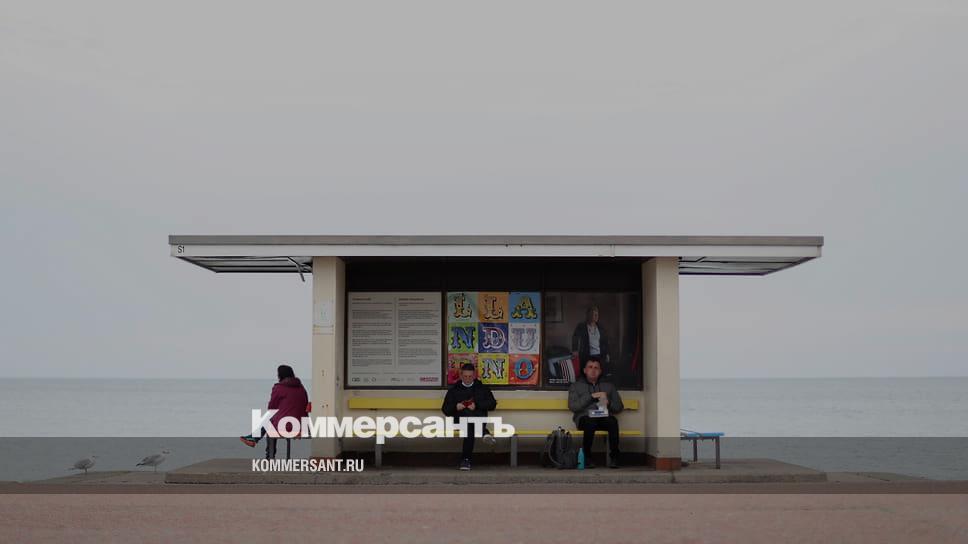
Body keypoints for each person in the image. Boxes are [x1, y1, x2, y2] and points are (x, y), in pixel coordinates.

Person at [240, 364, 310, 459]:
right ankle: (254, 438)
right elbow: (305, 405)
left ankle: (268, 456)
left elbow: (271, 408)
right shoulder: (302, 388)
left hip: (286, 426)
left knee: (269, 423)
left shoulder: (279, 388)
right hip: (301, 425)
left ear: (280, 375)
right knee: (270, 421)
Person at [568, 357, 624, 468]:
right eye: (590, 367)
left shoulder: (609, 386)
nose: (593, 370)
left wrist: (608, 403)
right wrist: (591, 396)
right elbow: (573, 406)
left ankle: (615, 458)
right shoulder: (576, 386)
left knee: (612, 421)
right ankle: (587, 457)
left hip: (603, 417)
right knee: (590, 421)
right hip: (585, 418)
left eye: (596, 368)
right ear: (585, 370)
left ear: (600, 371)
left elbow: (619, 408)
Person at [441, 363, 498, 471]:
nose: (467, 379)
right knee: (468, 422)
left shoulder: (482, 388)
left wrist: (477, 405)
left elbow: (492, 404)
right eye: (465, 376)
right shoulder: (454, 390)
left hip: (475, 421)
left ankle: (465, 460)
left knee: (469, 428)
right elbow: (445, 409)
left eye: (470, 376)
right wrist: (456, 407)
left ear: (474, 375)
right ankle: (484, 432)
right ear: (461, 375)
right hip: (460, 421)